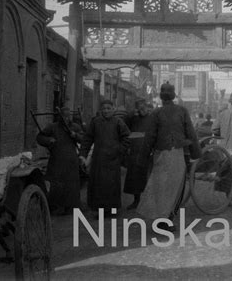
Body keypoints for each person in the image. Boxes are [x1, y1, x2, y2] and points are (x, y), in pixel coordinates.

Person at [137, 82, 201, 231]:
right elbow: (191, 133)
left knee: (160, 187)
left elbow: (149, 138)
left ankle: (161, 219)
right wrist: (196, 154)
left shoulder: (156, 113)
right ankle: (167, 219)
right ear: (173, 96)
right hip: (177, 154)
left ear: (161, 96)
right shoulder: (182, 111)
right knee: (176, 188)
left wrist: (142, 159)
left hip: (160, 154)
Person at [79, 100, 131, 218]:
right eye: (104, 108)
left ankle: (112, 210)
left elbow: (127, 138)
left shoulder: (118, 122)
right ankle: (99, 211)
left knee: (112, 186)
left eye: (108, 108)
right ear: (101, 110)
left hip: (113, 160)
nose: (106, 111)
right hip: (98, 159)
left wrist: (119, 150)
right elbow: (87, 139)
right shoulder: (95, 122)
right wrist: (83, 154)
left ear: (113, 109)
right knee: (98, 186)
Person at [36, 106, 83, 215]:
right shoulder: (53, 127)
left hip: (71, 160)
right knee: (56, 184)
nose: (66, 118)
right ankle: (55, 207)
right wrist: (49, 140)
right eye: (64, 116)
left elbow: (84, 138)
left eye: (68, 116)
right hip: (56, 159)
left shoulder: (75, 127)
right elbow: (40, 137)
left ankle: (71, 207)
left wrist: (75, 135)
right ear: (60, 117)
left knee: (72, 184)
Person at [123, 98, 153, 210]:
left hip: (149, 151)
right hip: (135, 151)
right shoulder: (133, 118)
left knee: (149, 177)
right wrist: (132, 114)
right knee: (135, 178)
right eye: (139, 107)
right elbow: (125, 124)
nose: (142, 109)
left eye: (143, 107)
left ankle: (149, 202)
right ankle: (136, 201)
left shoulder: (152, 118)